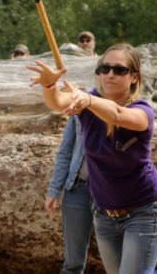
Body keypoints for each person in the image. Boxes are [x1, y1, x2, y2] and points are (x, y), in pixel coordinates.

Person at [27, 43, 157, 274]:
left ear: (134, 77)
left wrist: (89, 101)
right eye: (105, 68)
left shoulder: (143, 111)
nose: (110, 74)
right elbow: (58, 103)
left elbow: (118, 114)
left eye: (119, 70)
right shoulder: (86, 101)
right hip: (104, 214)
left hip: (145, 211)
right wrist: (50, 84)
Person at [45, 115, 93, 274]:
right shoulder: (81, 107)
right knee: (72, 264)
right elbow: (66, 151)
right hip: (77, 189)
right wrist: (54, 189)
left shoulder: (130, 109)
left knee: (118, 261)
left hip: (111, 194)